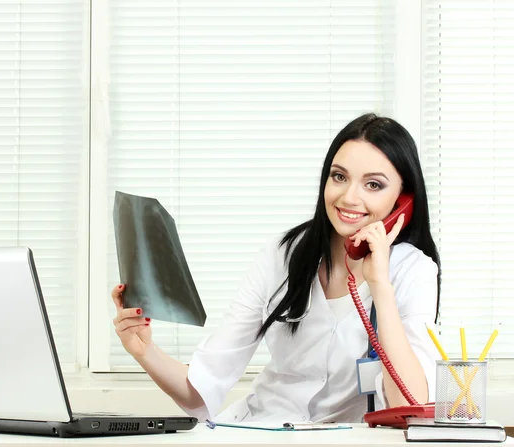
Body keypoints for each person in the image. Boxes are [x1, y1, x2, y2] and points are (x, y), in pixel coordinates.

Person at [111, 113, 441, 423]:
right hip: (260, 431)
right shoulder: (281, 255)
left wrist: (380, 286)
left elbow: (409, 406)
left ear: (403, 200)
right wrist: (145, 351)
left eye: (373, 185)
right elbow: (201, 389)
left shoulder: (414, 272)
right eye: (339, 177)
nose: (349, 197)